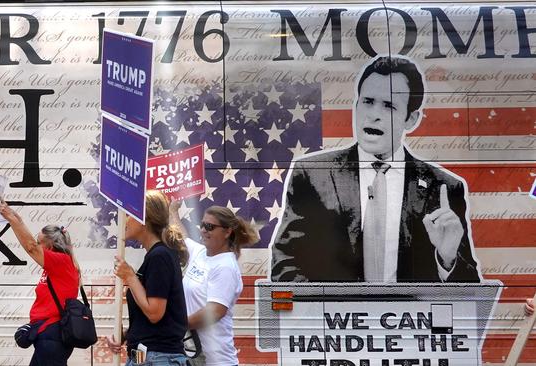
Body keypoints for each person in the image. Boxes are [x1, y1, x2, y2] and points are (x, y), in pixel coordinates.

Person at [270, 55, 482, 283]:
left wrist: (447, 258)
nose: (374, 115)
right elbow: (285, 264)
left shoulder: (444, 188)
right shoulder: (313, 174)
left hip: (410, 318)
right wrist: (328, 309)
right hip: (337, 318)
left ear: (411, 119)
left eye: (389, 106)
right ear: (356, 105)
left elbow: (469, 290)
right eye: (368, 101)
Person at [105, 190, 189, 366]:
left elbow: (155, 313)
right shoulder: (156, 256)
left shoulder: (160, 256)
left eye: (128, 215)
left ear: (144, 219)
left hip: (158, 358)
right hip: (147, 356)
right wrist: (126, 335)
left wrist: (129, 276)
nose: (123, 220)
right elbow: (152, 320)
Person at [170, 202, 259, 366]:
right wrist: (173, 210)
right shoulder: (200, 252)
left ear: (227, 232)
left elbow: (215, 312)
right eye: (203, 225)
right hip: (195, 356)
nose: (204, 230)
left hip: (217, 360)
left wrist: (174, 325)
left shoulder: (225, 267)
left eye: (210, 226)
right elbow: (181, 235)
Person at [0, 199, 80, 366]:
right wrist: (17, 219)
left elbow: (30, 247)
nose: (37, 244)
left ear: (50, 243)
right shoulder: (57, 265)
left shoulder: (61, 262)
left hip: (52, 336)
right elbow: (32, 245)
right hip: (48, 335)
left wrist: (11, 220)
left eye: (40, 241)